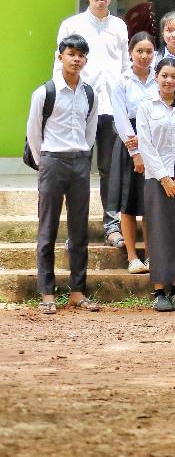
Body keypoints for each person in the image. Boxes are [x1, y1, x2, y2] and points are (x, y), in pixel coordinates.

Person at [54, 0, 128, 248]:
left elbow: (124, 68)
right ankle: (76, 229)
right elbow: (58, 66)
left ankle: (112, 226)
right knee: (78, 168)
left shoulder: (119, 27)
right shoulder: (71, 25)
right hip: (78, 108)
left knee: (109, 169)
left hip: (109, 108)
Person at [27, 34, 100, 314]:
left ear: (85, 59)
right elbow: (34, 131)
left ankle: (77, 291)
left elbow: (90, 130)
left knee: (79, 231)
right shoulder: (45, 92)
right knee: (47, 229)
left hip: (79, 161)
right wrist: (43, 161)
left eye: (81, 55)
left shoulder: (89, 93)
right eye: (71, 54)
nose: (76, 59)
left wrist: (82, 153)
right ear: (60, 57)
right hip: (52, 161)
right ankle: (46, 292)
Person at [136, 57, 175, 312]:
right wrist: (164, 178)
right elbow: (145, 144)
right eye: (164, 76)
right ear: (156, 77)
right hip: (156, 179)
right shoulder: (146, 107)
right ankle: (160, 290)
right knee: (159, 232)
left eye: (174, 76)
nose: (169, 80)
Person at [108, 32, 158, 275]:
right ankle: (132, 257)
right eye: (139, 51)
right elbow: (120, 118)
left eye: (149, 51)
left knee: (149, 202)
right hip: (130, 146)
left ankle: (150, 255)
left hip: (155, 144)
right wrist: (136, 151)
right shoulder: (122, 81)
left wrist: (150, 142)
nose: (144, 56)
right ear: (130, 53)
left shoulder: (159, 78)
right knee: (128, 204)